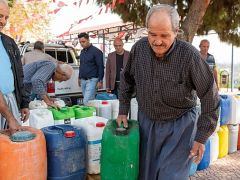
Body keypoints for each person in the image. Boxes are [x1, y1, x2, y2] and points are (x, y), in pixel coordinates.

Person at [117, 4, 219, 180]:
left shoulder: (189, 56)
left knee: (170, 176)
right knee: (146, 175)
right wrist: (123, 110)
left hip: (180, 127)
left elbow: (210, 94)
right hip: (147, 122)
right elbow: (127, 79)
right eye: (152, 34)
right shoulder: (139, 49)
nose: (157, 41)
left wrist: (201, 136)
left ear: (176, 31)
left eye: (164, 35)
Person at [0, 0, 29, 130]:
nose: (3, 22)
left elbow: (19, 74)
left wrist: (24, 103)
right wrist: (10, 118)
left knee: (15, 144)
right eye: (0, 16)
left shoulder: (9, 42)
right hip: (3, 107)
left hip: (11, 99)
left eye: (6, 17)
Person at [78, 32, 104, 105]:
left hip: (92, 80)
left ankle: (90, 115)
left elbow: (100, 66)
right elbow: (81, 65)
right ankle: (93, 115)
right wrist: (79, 77)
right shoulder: (82, 52)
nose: (82, 44)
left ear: (88, 40)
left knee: (86, 101)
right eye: (80, 42)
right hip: (83, 80)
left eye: (83, 41)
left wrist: (100, 80)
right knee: (90, 102)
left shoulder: (97, 52)